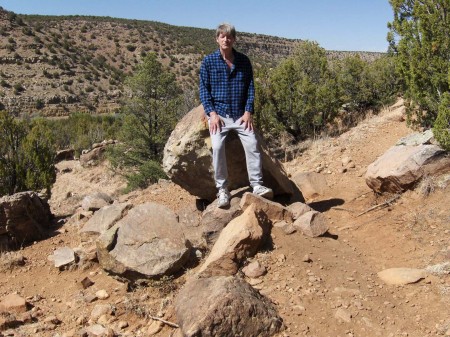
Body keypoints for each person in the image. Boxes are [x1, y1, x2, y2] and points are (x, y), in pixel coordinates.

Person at [199, 22, 273, 208]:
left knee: (252, 144)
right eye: (222, 36)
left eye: (229, 36)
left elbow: (250, 88)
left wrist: (248, 111)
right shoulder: (208, 62)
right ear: (217, 39)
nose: (226, 39)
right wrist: (212, 114)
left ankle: (256, 185)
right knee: (217, 147)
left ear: (234, 39)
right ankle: (222, 189)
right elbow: (204, 91)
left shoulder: (243, 61)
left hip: (241, 114)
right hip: (219, 115)